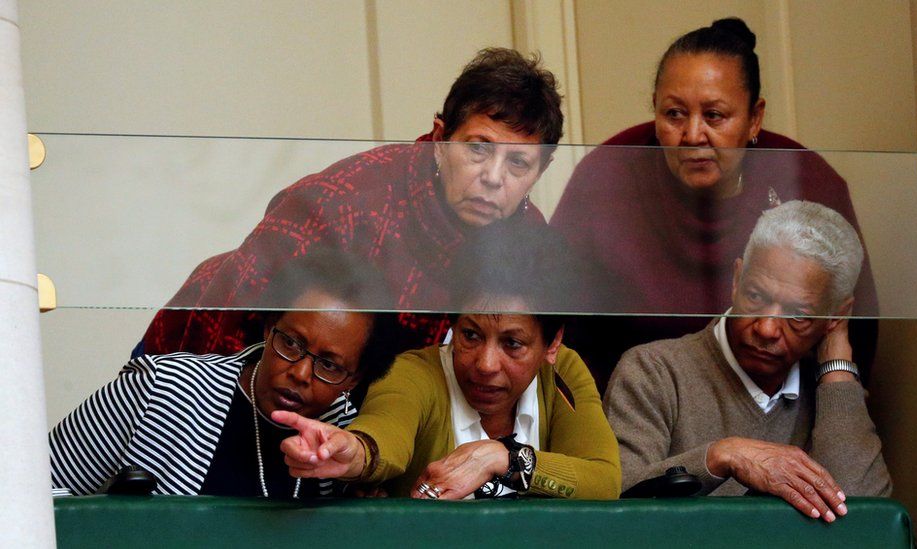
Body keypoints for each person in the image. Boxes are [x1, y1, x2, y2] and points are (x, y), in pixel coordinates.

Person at [141, 47, 564, 357]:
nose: (493, 178)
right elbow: (239, 329)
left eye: (518, 163)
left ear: (539, 172)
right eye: (478, 149)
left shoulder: (530, 238)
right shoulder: (345, 203)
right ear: (438, 139)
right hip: (196, 356)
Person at [550, 17, 878, 392]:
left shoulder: (805, 179)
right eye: (674, 114)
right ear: (654, 111)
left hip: (783, 415)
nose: (692, 134)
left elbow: (855, 333)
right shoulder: (607, 176)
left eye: (714, 116)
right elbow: (561, 334)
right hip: (638, 414)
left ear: (755, 119)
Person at [273, 226, 621, 499]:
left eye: (512, 344)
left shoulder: (562, 370)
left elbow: (604, 481)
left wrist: (502, 458)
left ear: (552, 343)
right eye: (470, 335)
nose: (485, 364)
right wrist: (352, 452)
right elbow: (383, 434)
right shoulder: (413, 372)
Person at [604, 201, 891, 522]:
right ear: (737, 279)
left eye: (798, 316)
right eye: (755, 297)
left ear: (836, 315)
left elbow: (865, 524)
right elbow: (616, 502)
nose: (767, 329)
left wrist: (836, 369)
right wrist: (721, 456)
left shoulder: (834, 398)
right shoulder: (653, 371)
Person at [49, 250, 398, 498]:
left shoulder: (348, 441)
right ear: (268, 327)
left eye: (329, 365)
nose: (301, 372)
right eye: (291, 343)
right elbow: (32, 488)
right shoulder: (164, 389)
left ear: (354, 378)